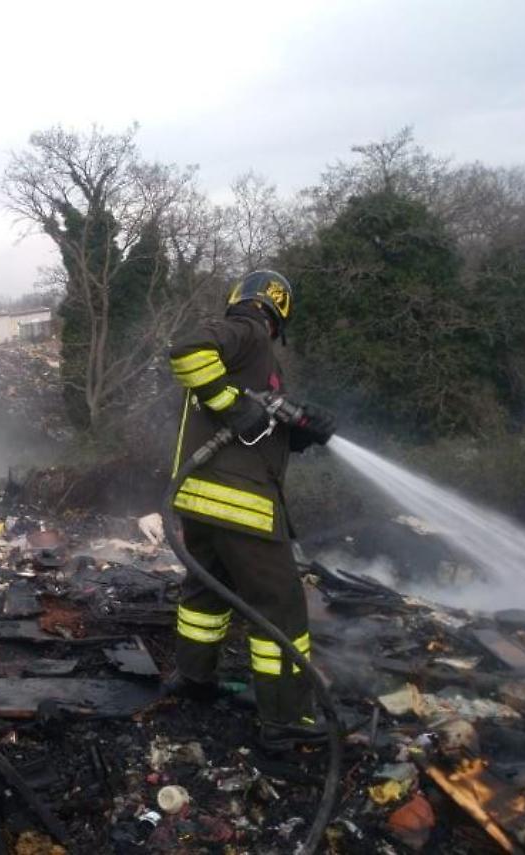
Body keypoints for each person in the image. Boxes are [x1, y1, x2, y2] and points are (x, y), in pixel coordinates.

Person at [164, 270, 336, 751]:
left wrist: (304, 429)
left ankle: (194, 680)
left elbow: (262, 428)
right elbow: (187, 350)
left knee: (206, 592)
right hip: (241, 505)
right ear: (278, 313)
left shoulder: (252, 363)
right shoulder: (249, 332)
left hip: (200, 500)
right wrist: (230, 406)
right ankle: (286, 719)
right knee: (280, 608)